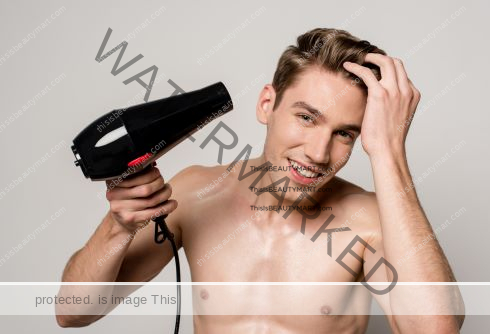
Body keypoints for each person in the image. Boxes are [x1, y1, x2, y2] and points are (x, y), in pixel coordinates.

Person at [56, 28, 465, 333]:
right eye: (307, 117)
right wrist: (118, 226)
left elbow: (435, 328)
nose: (319, 153)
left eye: (345, 133)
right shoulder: (195, 194)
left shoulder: (370, 221)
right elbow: (72, 312)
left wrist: (390, 150)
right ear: (267, 104)